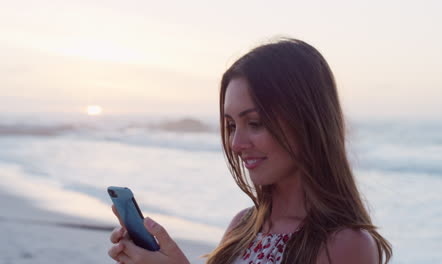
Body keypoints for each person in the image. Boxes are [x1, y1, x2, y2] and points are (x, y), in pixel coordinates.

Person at [107, 38, 393, 264]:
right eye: (231, 125)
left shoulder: (345, 245)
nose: (236, 143)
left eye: (255, 123)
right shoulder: (243, 226)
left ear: (307, 122)